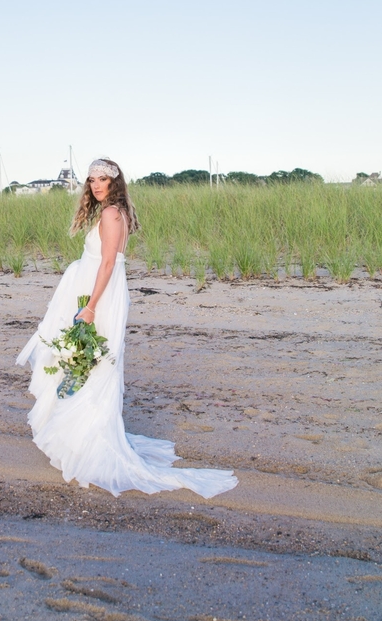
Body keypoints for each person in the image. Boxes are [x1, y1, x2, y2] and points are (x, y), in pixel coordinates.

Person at [16, 158, 238, 498]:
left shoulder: (110, 214)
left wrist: (90, 307)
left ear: (115, 182)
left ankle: (87, 442)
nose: (96, 185)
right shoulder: (114, 212)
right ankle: (79, 436)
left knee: (90, 365)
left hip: (99, 296)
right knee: (87, 363)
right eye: (91, 180)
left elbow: (106, 263)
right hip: (102, 291)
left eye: (103, 179)